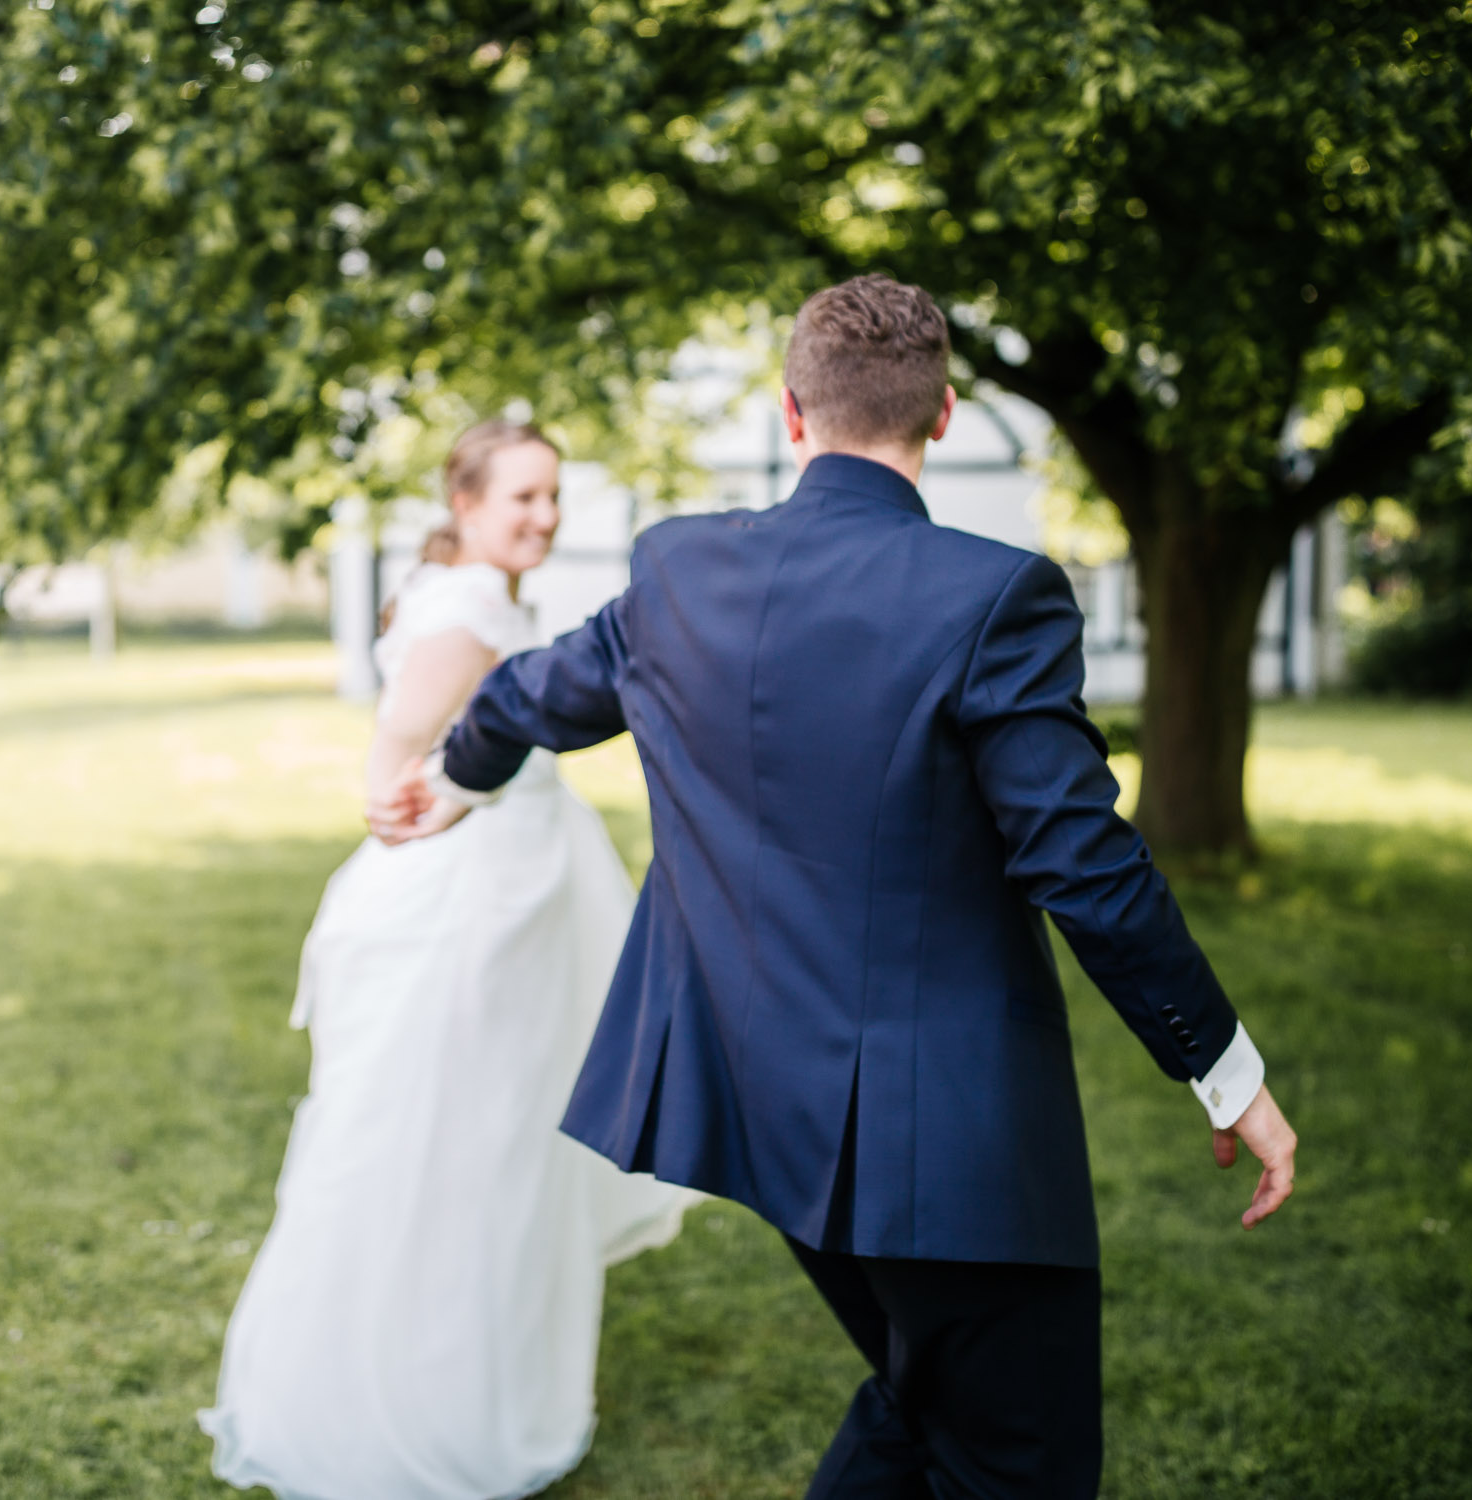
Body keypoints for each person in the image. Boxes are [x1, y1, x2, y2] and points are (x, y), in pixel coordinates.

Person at [377, 276, 1299, 1499]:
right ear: (945, 414)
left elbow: (527, 693)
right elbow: (1081, 860)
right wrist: (1227, 1071)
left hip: (760, 1112)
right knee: (1022, 1460)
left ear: (793, 412)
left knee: (930, 1409)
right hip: (942, 1148)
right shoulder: (995, 596)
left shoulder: (678, 570)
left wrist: (455, 779)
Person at [198, 420, 695, 1500]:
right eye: (522, 497)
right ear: (465, 503)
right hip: (467, 915)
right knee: (458, 1147)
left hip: (511, 900)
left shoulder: (475, 594)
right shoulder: (466, 613)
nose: (545, 517)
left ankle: (476, 1383)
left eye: (553, 496)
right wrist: (419, 808)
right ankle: (409, 1406)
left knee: (499, 1149)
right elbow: (393, 771)